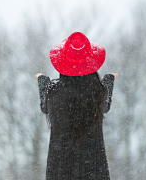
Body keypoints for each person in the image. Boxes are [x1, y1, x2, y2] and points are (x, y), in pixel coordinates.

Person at [36, 31, 118, 180]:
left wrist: (41, 79)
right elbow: (106, 102)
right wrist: (110, 78)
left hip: (60, 171)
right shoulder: (98, 92)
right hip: (94, 170)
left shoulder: (54, 91)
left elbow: (44, 105)